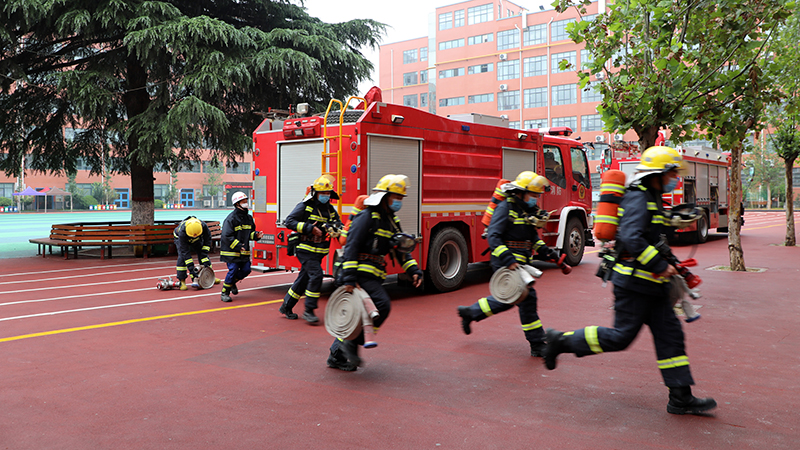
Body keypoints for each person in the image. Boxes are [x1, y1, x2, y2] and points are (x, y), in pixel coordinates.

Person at [543, 146, 717, 415]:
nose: (675, 178)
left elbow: (654, 241)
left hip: (653, 286)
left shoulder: (653, 198)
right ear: (657, 174)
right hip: (634, 285)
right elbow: (632, 238)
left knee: (671, 336)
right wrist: (660, 265)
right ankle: (561, 341)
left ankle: (681, 397)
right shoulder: (638, 198)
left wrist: (674, 266)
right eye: (672, 173)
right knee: (620, 338)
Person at [457, 171, 565, 357]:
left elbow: (533, 239)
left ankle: (470, 313)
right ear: (521, 193)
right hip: (505, 263)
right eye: (533, 195)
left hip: (520, 263)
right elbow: (493, 236)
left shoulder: (527, 211)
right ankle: (537, 344)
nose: (536, 199)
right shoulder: (505, 208)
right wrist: (509, 260)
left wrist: (550, 254)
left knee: (508, 300)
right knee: (527, 299)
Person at [327, 174, 423, 371]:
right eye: (396, 197)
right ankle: (351, 343)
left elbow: (400, 249)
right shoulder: (367, 217)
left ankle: (337, 354)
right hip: (360, 274)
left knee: (358, 315)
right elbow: (351, 246)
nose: (399, 201)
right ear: (384, 196)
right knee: (382, 305)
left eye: (401, 198)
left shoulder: (391, 221)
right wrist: (349, 279)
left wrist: (414, 270)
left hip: (374, 275)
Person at [279, 175, 342, 323]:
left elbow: (338, 223)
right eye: (323, 193)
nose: (326, 196)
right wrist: (310, 228)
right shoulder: (305, 206)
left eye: (328, 193)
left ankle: (286, 306)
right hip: (305, 249)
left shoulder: (330, 209)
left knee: (304, 278)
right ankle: (309, 310)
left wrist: (336, 228)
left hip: (318, 251)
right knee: (317, 275)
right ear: (316, 193)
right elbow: (289, 221)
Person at [220, 191, 262, 302]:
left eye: (246, 201)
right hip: (231, 252)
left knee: (246, 270)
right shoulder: (231, 219)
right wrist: (238, 246)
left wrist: (256, 235)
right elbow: (226, 236)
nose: (246, 203)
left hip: (243, 252)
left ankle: (232, 282)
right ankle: (225, 292)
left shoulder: (248, 218)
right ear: (237, 204)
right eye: (243, 201)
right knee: (233, 270)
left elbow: (249, 234)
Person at [173, 216, 218, 291]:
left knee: (203, 255)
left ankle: (210, 275)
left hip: (197, 239)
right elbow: (185, 253)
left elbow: (207, 240)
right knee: (182, 258)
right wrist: (191, 270)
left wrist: (204, 252)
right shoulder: (182, 232)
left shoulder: (203, 226)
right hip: (181, 239)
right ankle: (182, 280)